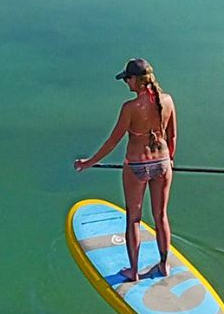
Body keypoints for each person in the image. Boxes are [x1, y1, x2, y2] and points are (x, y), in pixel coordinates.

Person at [74, 57, 177, 284]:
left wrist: (88, 162)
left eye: (127, 79)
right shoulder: (168, 101)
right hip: (162, 164)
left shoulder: (129, 108)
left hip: (136, 167)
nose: (125, 83)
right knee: (161, 216)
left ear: (136, 80)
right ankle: (163, 264)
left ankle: (134, 272)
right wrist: (169, 161)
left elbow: (112, 142)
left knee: (134, 219)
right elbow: (172, 137)